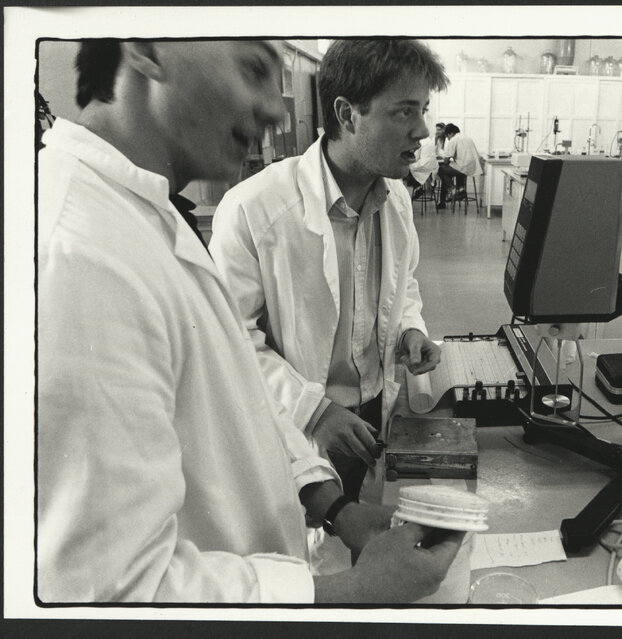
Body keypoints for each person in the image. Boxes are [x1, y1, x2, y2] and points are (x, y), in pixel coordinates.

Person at [37, 38, 462, 603]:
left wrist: (336, 510)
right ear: (144, 45)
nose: (274, 107)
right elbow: (106, 591)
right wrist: (353, 592)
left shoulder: (144, 215)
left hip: (330, 462)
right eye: (253, 67)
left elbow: (235, 391)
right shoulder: (77, 249)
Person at [209, 39, 445, 506]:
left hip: (375, 411)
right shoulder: (256, 211)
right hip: (292, 425)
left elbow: (405, 281)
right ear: (347, 113)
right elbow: (229, 342)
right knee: (305, 550)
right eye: (404, 112)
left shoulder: (394, 199)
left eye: (424, 110)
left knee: (362, 528)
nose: (422, 130)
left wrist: (409, 330)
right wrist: (314, 412)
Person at [436, 122, 480, 209]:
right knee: (453, 170)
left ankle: (452, 190)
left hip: (462, 168)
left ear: (451, 133)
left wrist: (445, 160)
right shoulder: (467, 137)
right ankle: (460, 190)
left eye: (447, 136)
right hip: (472, 167)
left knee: (441, 170)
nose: (448, 139)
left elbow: (446, 160)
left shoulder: (453, 140)